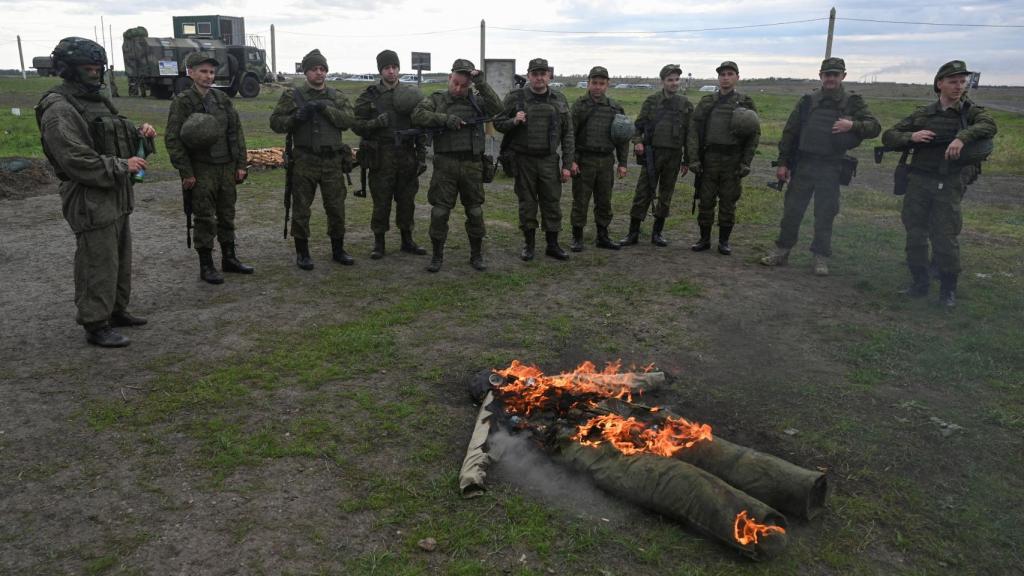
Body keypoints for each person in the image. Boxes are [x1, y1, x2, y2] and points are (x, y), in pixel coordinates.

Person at [36, 37, 155, 347]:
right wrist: (120, 166)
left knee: (118, 256)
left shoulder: (98, 100)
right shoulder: (59, 108)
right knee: (96, 259)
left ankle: (116, 310)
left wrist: (141, 134)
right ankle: (94, 322)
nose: (95, 73)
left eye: (98, 68)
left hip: (114, 193)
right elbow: (74, 158)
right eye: (88, 68)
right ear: (70, 70)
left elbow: (116, 134)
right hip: (89, 196)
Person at [881, 60, 996, 307]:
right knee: (915, 233)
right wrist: (911, 136)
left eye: (962, 82)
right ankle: (919, 283)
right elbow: (889, 135)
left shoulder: (970, 112)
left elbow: (989, 125)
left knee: (945, 236)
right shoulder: (924, 114)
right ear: (939, 84)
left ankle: (947, 291)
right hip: (920, 180)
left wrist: (961, 138)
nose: (958, 86)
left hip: (950, 181)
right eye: (953, 81)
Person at [760, 57, 880, 276]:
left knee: (825, 213)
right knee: (792, 211)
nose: (831, 78)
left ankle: (820, 256)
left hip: (831, 166)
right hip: (804, 164)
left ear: (843, 76)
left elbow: (875, 127)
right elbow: (791, 132)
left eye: (836, 74)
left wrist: (852, 124)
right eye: (827, 74)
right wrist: (784, 163)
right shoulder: (807, 100)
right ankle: (782, 250)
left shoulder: (853, 102)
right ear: (820, 75)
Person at [165, 51, 253, 284]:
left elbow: (236, 132)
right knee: (204, 217)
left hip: (226, 166)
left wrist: (241, 164)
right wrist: (186, 171)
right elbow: (173, 139)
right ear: (191, 73)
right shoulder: (183, 102)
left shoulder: (222, 100)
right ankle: (206, 265)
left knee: (227, 214)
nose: (208, 76)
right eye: (203, 71)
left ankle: (229, 258)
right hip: (201, 168)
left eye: (212, 72)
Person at [411, 58, 503, 272]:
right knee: (440, 213)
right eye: (455, 83)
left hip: (472, 164)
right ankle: (437, 256)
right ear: (449, 78)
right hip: (446, 165)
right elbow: (417, 115)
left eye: (464, 85)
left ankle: (477, 255)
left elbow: (497, 109)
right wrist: (444, 119)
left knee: (475, 212)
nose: (459, 88)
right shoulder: (437, 99)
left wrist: (481, 83)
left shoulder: (477, 101)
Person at [270, 49, 355, 270]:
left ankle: (338, 249)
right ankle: (303, 252)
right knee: (301, 208)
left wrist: (325, 109)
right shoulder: (292, 96)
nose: (319, 73)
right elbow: (275, 123)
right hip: (305, 160)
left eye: (322, 69)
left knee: (336, 208)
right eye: (314, 69)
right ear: (306, 72)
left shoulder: (337, 96)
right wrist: (295, 119)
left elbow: (348, 121)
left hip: (332, 161)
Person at [494, 57, 575, 261]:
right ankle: (528, 245)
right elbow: (498, 123)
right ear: (529, 75)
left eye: (543, 74)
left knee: (552, 202)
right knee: (527, 203)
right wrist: (514, 120)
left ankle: (552, 245)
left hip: (548, 160)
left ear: (549, 75)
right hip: (524, 160)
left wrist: (566, 165)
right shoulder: (515, 98)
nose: (539, 78)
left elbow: (568, 134)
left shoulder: (559, 99)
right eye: (535, 74)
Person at [352, 49, 427, 260]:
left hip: (406, 153)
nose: (391, 71)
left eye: (394, 67)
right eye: (387, 68)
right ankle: (379, 243)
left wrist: (421, 156)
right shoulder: (369, 96)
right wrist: (376, 123)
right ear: (380, 71)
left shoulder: (411, 95)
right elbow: (355, 125)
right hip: (381, 155)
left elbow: (421, 126)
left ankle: (407, 240)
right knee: (381, 200)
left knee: (406, 200)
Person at [687, 61, 759, 255]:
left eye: (730, 74)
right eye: (722, 74)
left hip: (732, 160)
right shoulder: (707, 101)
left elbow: (754, 135)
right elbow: (693, 130)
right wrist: (693, 158)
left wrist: (746, 162)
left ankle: (724, 241)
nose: (725, 77)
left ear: (737, 77)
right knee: (706, 200)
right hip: (709, 159)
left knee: (728, 202)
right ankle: (704, 239)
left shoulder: (745, 102)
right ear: (718, 78)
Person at [622, 64, 692, 247]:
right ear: (663, 81)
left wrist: (687, 159)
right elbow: (638, 126)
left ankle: (657, 233)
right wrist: (637, 142)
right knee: (643, 192)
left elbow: (690, 134)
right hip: (653, 153)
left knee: (666, 194)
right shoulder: (652, 101)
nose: (674, 83)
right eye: (670, 80)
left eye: (677, 79)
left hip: (674, 155)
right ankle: (633, 233)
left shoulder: (685, 104)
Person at [569, 66, 629, 252]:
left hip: (605, 161)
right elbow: (570, 135)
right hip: (584, 160)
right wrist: (571, 160)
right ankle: (577, 237)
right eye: (594, 83)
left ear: (607, 85)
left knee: (604, 201)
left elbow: (622, 138)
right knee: (581, 200)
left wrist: (623, 163)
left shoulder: (615, 107)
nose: (597, 87)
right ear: (588, 83)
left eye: (601, 83)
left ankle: (603, 236)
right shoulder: (579, 106)